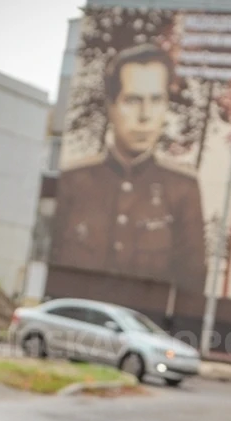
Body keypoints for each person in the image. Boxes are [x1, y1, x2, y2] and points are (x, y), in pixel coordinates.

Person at [49, 43, 206, 294]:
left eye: (156, 100)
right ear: (111, 106)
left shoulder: (182, 189)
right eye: (133, 100)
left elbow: (193, 282)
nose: (145, 115)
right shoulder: (74, 181)